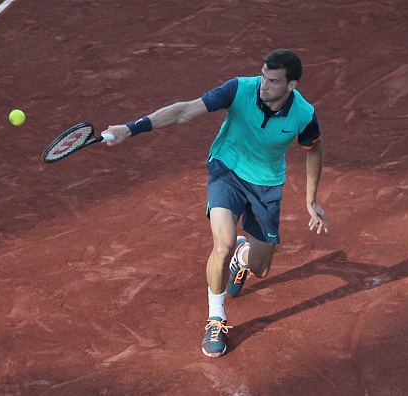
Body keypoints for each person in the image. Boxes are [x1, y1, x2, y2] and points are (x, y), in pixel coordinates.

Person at [102, 48, 328, 358]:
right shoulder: (239, 89)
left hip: (266, 186)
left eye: (273, 81)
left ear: (292, 85)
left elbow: (313, 149)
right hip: (227, 172)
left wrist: (311, 198)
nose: (264, 84)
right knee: (221, 244)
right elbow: (185, 111)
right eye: (263, 76)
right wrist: (131, 128)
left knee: (260, 269)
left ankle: (243, 255)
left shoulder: (303, 113)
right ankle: (216, 318)